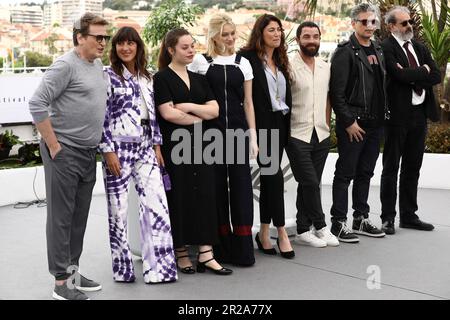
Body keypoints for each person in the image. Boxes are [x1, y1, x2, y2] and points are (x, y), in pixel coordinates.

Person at [28, 13, 108, 300]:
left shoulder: (97, 64)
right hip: (65, 152)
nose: (103, 42)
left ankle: (72, 272)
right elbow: (37, 103)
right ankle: (61, 283)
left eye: (105, 37)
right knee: (61, 219)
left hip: (88, 153)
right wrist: (53, 145)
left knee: (78, 219)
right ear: (80, 37)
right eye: (98, 37)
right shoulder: (65, 66)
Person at [99, 27, 177, 284]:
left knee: (157, 205)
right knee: (117, 211)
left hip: (146, 147)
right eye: (120, 44)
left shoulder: (147, 77)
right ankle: (123, 270)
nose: (125, 48)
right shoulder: (107, 76)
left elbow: (152, 114)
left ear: (138, 47)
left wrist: (157, 145)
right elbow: (102, 116)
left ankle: (160, 270)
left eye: (130, 43)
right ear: (115, 48)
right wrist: (108, 149)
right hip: (118, 149)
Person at [153, 28, 232, 275]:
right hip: (175, 148)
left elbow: (215, 111)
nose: (191, 51)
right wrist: (199, 116)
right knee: (180, 198)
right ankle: (182, 252)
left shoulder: (199, 79)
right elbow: (167, 113)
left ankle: (206, 255)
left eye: (192, 46)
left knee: (207, 196)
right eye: (185, 47)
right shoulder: (161, 78)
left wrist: (186, 107)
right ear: (171, 50)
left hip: (202, 147)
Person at [188, 14, 258, 266]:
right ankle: (218, 249)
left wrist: (253, 137)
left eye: (232, 33)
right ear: (214, 35)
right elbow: (195, 99)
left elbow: (248, 103)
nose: (229, 38)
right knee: (215, 190)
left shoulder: (243, 63)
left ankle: (242, 250)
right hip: (210, 135)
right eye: (224, 33)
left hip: (239, 133)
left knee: (241, 189)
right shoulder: (200, 62)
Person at [380, 6, 441, 234]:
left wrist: (419, 72)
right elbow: (398, 75)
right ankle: (387, 218)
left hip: (419, 115)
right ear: (391, 26)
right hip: (397, 117)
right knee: (391, 167)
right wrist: (421, 71)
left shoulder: (419, 47)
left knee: (413, 167)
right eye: (404, 23)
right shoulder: (386, 48)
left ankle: (409, 215)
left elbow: (435, 74)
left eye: (410, 22)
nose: (409, 26)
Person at [329, 3, 387, 243]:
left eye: (373, 22)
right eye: (364, 22)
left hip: (375, 123)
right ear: (353, 23)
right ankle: (338, 223)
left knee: (366, 172)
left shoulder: (379, 49)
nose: (369, 26)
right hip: (354, 123)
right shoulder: (345, 52)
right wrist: (349, 122)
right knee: (345, 173)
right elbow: (337, 93)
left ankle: (360, 217)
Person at [240, 14, 295, 259]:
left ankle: (263, 233)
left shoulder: (281, 60)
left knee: (270, 180)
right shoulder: (248, 58)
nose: (277, 34)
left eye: (279, 30)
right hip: (260, 127)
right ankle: (280, 232)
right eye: (271, 30)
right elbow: (246, 98)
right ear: (260, 33)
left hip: (280, 124)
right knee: (274, 180)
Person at [286, 22, 339, 248]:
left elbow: (328, 98)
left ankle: (301, 229)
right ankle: (320, 226)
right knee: (309, 181)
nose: (311, 40)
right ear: (298, 40)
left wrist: (326, 125)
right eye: (306, 36)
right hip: (297, 133)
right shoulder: (288, 66)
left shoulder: (325, 66)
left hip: (321, 134)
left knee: (310, 183)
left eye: (315, 36)